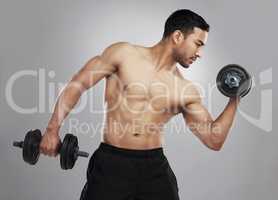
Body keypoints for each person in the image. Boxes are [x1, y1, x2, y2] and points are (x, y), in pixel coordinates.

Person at [39, 9, 239, 200]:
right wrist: (52, 130)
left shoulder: (185, 90)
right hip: (111, 164)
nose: (199, 53)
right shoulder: (123, 54)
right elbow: (78, 84)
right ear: (178, 36)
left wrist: (236, 96)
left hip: (154, 168)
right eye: (197, 44)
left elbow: (214, 139)